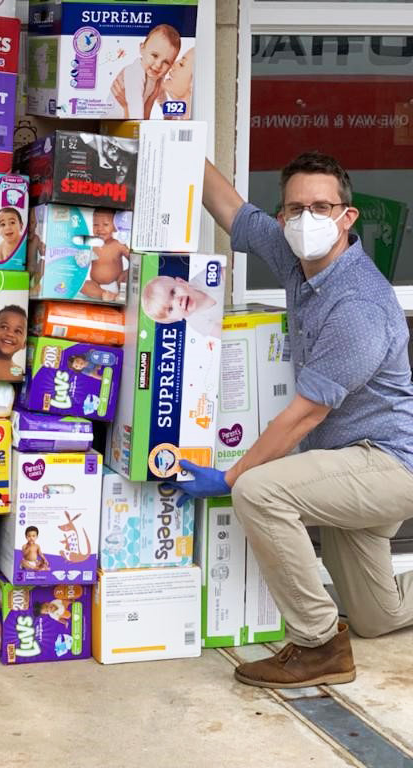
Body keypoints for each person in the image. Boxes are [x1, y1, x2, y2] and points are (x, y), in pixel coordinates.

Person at [173, 152, 413, 689]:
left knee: (260, 491)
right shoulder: (295, 256)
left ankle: (320, 646)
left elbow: (305, 415)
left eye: (322, 206)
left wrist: (231, 477)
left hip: (390, 465)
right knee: (378, 616)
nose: (308, 219)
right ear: (283, 218)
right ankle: (353, 625)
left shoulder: (357, 304)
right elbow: (229, 207)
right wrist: (171, 131)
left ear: (347, 217)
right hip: (348, 461)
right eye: (296, 208)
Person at [107, 24, 182, 119]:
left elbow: (161, 94)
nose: (158, 65)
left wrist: (168, 112)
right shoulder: (135, 72)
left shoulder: (157, 75)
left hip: (131, 117)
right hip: (113, 118)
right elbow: (135, 108)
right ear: (142, 49)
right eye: (154, 55)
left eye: (166, 62)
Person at [80, 209, 129, 302]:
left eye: (105, 224)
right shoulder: (91, 245)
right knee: (82, 285)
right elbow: (82, 261)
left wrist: (127, 273)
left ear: (115, 227)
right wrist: (83, 258)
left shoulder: (119, 244)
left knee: (127, 276)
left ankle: (117, 294)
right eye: (95, 225)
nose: (100, 229)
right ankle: (107, 295)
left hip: (117, 282)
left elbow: (134, 259)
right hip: (96, 285)